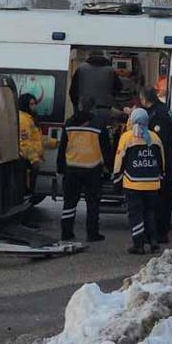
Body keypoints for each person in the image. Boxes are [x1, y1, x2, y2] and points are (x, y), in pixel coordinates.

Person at [56, 96, 112, 242]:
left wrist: (60, 168)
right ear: (93, 108)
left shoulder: (69, 123)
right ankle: (92, 234)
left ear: (80, 106)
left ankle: (66, 232)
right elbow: (106, 148)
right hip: (92, 168)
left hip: (72, 167)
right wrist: (111, 167)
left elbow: (63, 147)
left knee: (69, 202)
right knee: (92, 203)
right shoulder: (99, 124)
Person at [113, 108, 165, 255]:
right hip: (153, 183)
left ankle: (138, 245)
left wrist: (116, 179)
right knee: (150, 213)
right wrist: (160, 177)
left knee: (135, 214)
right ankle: (154, 242)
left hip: (132, 183)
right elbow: (161, 162)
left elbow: (119, 161)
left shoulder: (127, 138)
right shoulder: (155, 138)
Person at [139, 87, 172, 244]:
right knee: (165, 198)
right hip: (168, 160)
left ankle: (160, 233)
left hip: (163, 162)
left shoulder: (157, 115)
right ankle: (162, 231)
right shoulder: (163, 109)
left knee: (160, 200)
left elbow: (155, 141)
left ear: (145, 99)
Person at [18, 93, 59, 192]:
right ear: (25, 105)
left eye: (34, 104)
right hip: (26, 160)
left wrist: (55, 142)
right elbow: (24, 143)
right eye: (31, 104)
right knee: (27, 188)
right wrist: (34, 160)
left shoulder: (29, 118)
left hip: (30, 160)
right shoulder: (24, 120)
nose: (34, 106)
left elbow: (37, 139)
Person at [68, 52, 123, 119]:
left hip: (84, 110)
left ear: (89, 57)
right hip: (105, 109)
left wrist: (77, 107)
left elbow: (73, 91)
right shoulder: (110, 70)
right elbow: (119, 86)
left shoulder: (81, 68)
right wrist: (110, 97)